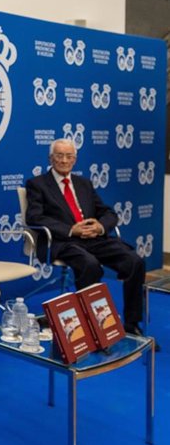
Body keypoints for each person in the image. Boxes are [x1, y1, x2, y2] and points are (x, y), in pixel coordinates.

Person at [25, 138, 154, 347]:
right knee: (90, 264)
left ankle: (131, 323)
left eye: (69, 156)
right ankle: (93, 325)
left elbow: (108, 212)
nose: (64, 160)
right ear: (50, 158)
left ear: (75, 160)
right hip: (63, 241)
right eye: (59, 156)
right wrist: (70, 229)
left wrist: (99, 226)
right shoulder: (37, 184)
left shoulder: (83, 184)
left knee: (134, 261)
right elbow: (34, 218)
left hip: (94, 238)